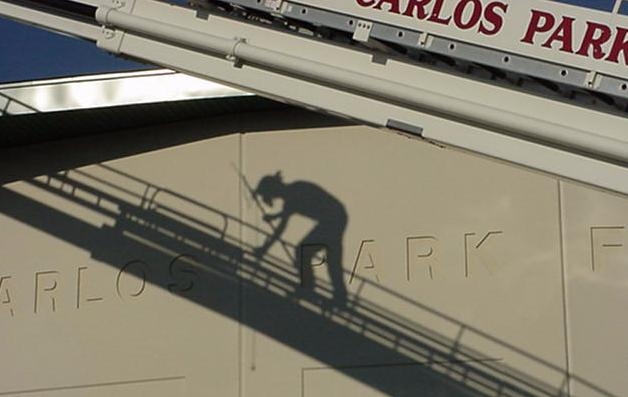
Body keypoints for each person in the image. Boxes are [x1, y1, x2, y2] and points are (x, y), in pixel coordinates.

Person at [253, 172, 347, 302]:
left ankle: (308, 288)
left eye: (269, 193)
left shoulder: (296, 189)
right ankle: (340, 297)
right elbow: (284, 219)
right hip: (336, 216)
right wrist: (265, 246)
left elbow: (282, 223)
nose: (272, 197)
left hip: (333, 218)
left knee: (303, 251)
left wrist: (265, 248)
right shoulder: (293, 194)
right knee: (331, 259)